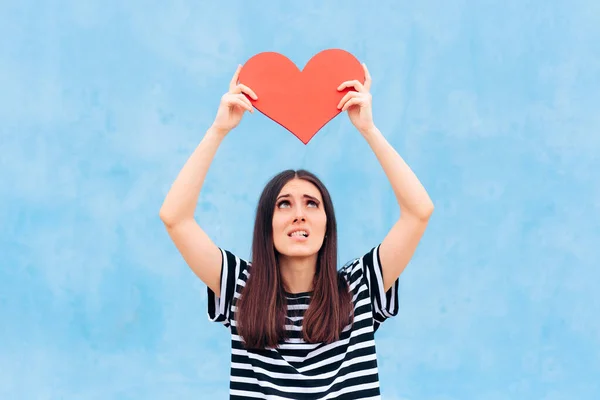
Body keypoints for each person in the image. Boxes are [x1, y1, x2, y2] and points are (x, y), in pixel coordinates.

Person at [159, 63, 434, 399]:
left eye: (312, 204)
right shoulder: (239, 288)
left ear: (327, 224)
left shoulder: (361, 286)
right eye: (284, 204)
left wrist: (369, 130)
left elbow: (418, 212)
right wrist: (218, 130)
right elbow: (175, 217)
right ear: (266, 224)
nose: (299, 215)